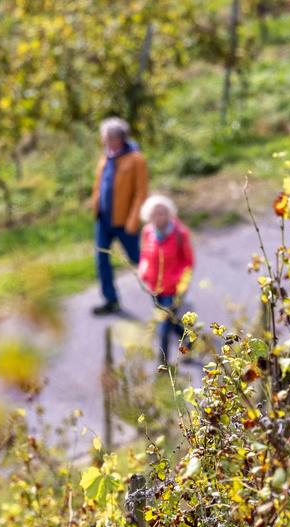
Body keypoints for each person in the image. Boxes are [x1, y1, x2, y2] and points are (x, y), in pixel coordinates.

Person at [89, 117, 149, 316]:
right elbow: (100, 185)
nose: (103, 141)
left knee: (137, 259)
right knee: (101, 260)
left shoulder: (136, 160)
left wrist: (133, 221)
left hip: (124, 221)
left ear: (118, 139)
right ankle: (110, 300)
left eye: (106, 138)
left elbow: (141, 193)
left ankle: (166, 292)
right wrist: (95, 206)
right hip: (103, 220)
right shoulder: (105, 157)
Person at [137, 194, 195, 366]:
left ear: (169, 213)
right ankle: (190, 340)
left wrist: (182, 283)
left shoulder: (180, 234)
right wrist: (143, 270)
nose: (159, 217)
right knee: (172, 322)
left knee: (163, 328)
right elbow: (145, 256)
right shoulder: (148, 232)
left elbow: (188, 262)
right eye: (155, 213)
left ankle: (162, 364)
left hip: (173, 289)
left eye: (163, 213)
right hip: (154, 288)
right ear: (149, 216)